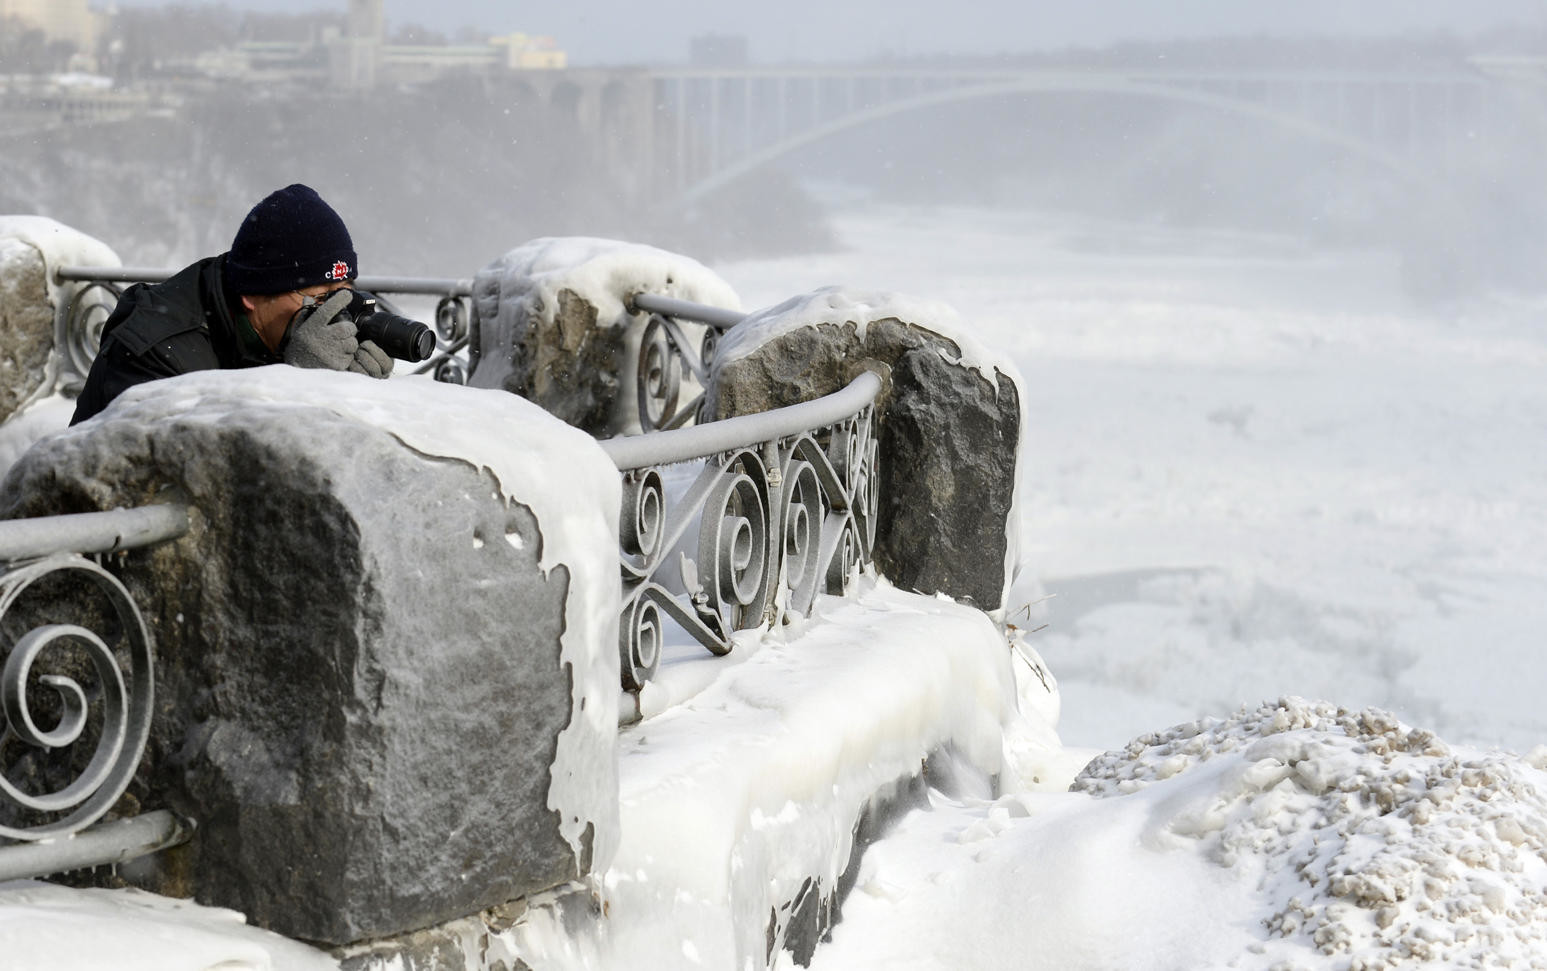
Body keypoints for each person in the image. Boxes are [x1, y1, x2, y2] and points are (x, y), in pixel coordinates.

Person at [70, 183, 391, 425]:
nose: (333, 315)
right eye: (320, 298)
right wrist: (298, 386)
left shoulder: (272, 329)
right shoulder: (154, 352)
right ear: (252, 295)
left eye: (344, 294)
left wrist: (352, 398)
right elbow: (188, 478)